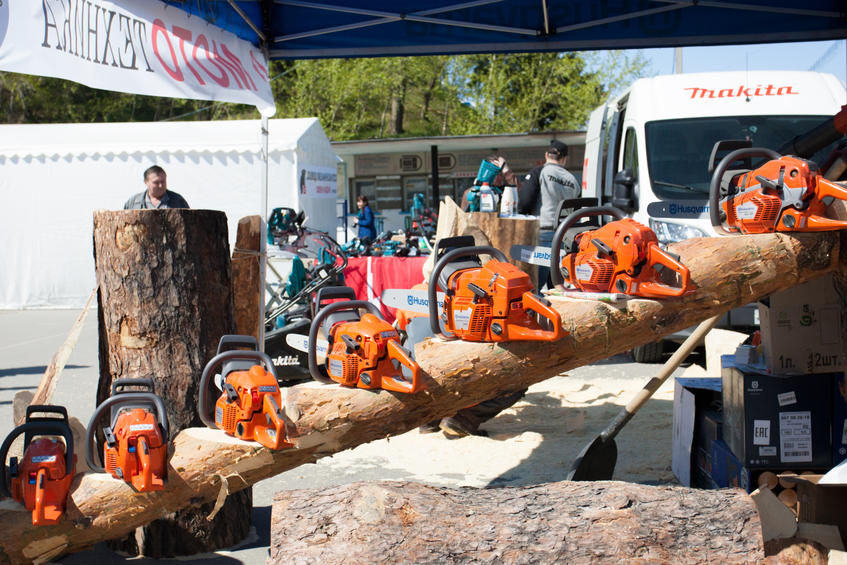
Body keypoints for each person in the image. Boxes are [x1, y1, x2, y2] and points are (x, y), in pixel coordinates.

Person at [517, 140, 579, 292]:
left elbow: (524, 201)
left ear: (546, 155)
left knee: (535, 285)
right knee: (558, 286)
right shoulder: (573, 180)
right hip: (565, 236)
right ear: (564, 159)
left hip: (543, 234)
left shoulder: (540, 172)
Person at [124, 165, 189, 210]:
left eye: (163, 181)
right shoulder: (133, 203)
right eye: (156, 182)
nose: (160, 185)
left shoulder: (178, 201)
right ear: (146, 182)